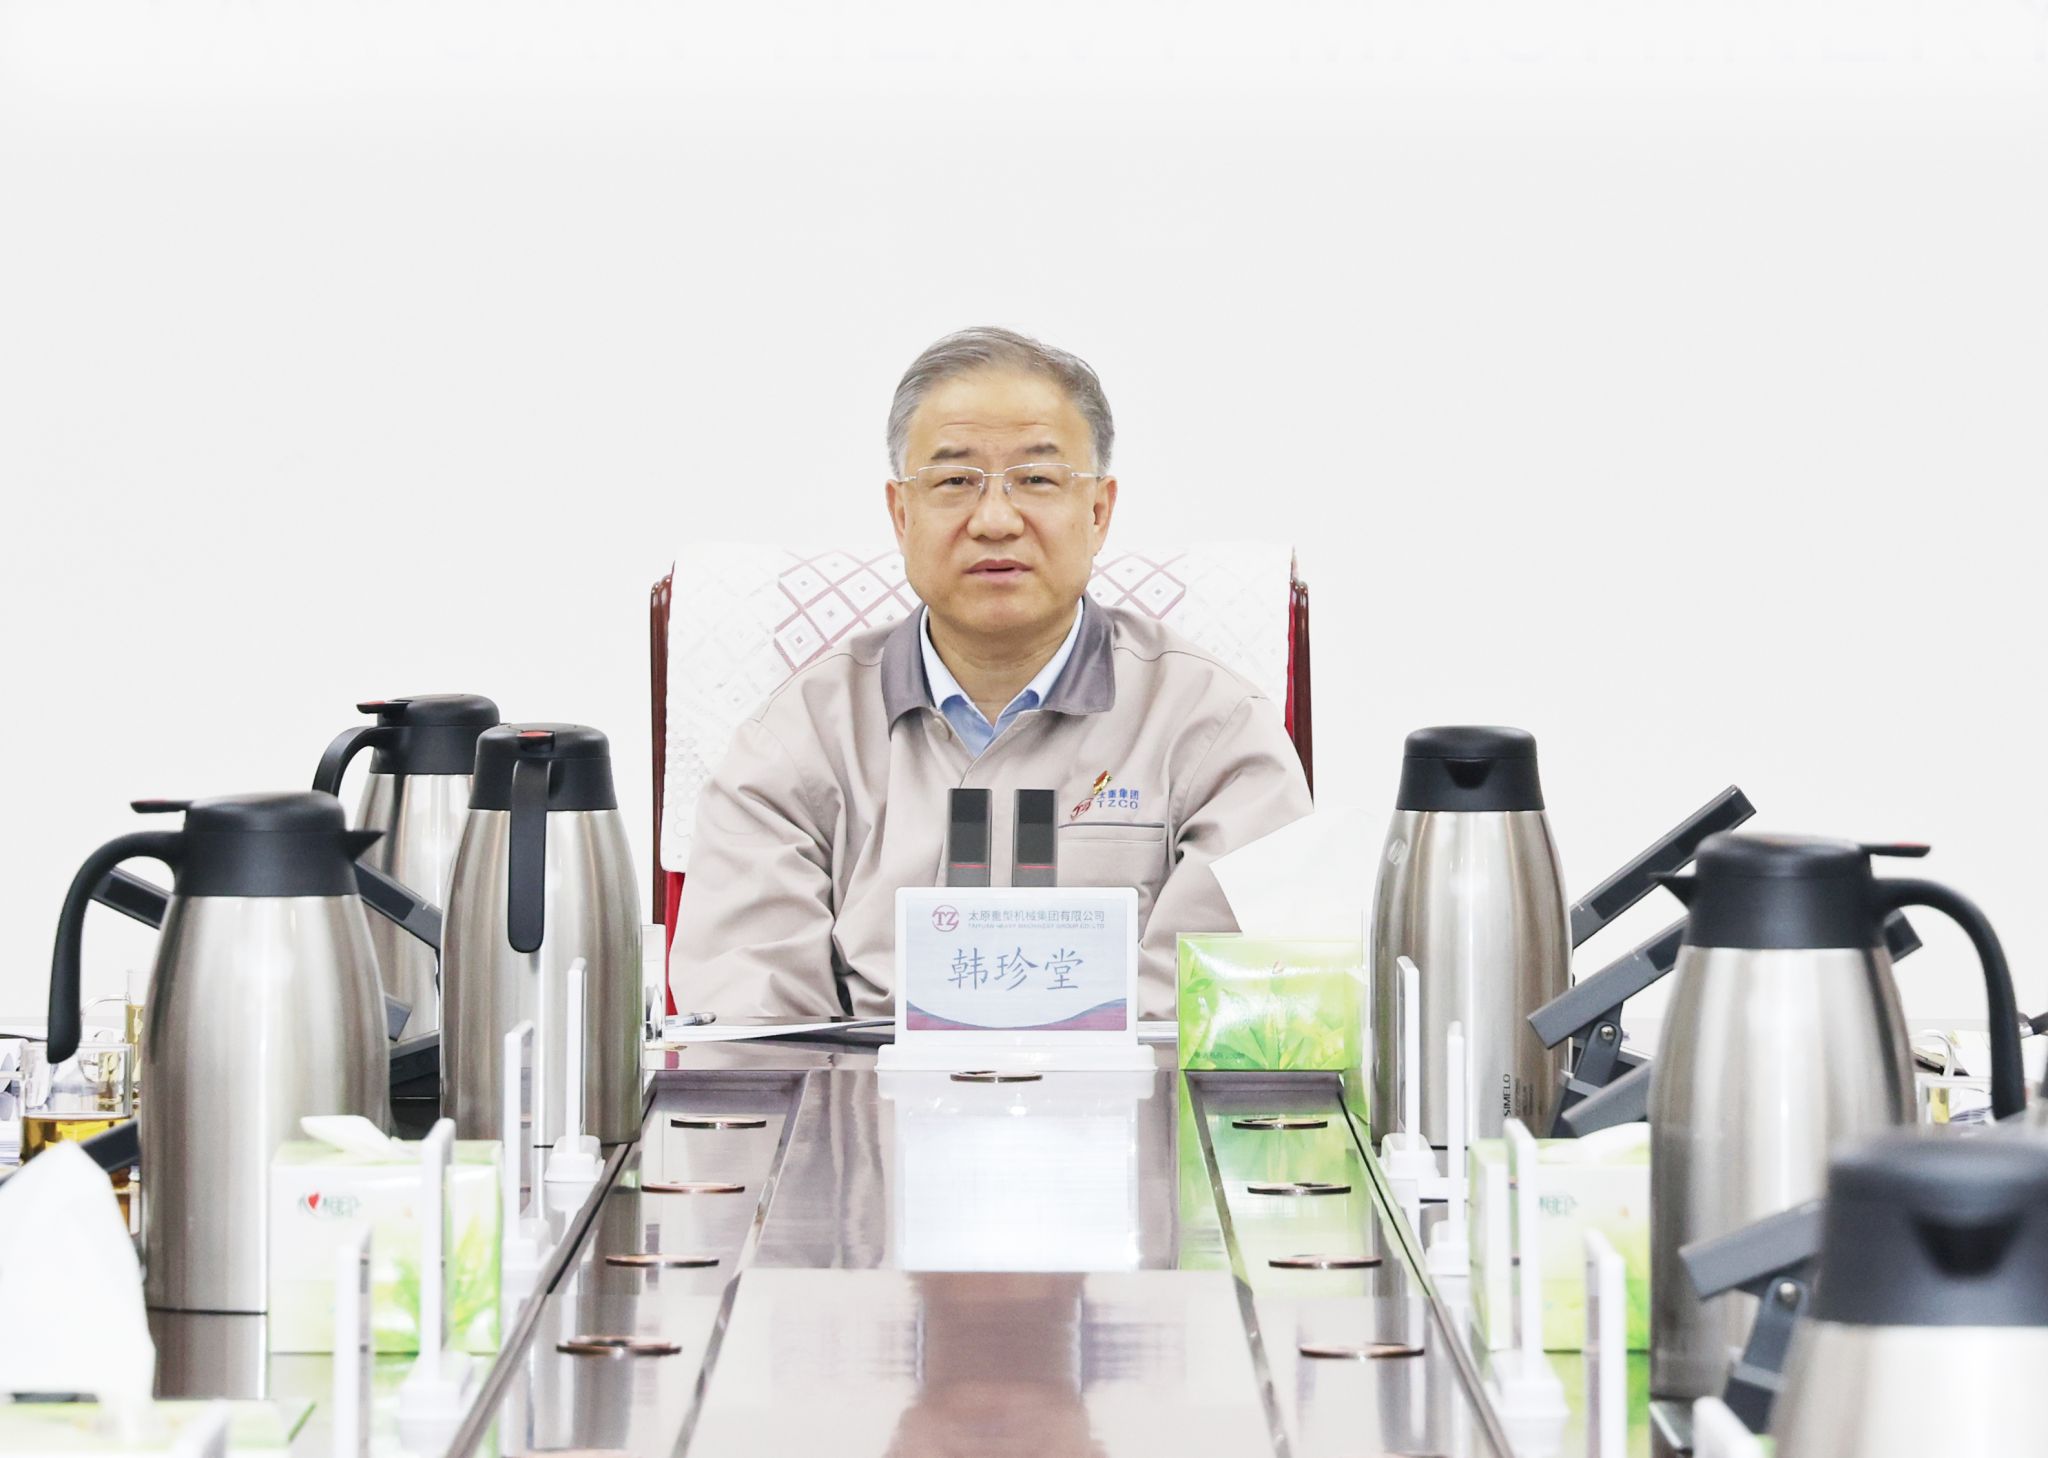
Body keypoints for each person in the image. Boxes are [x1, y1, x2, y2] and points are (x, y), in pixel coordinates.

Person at [671, 326, 1313, 1018]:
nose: (997, 520)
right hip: (861, 1090)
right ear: (901, 514)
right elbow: (754, 1026)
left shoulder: (1216, 731)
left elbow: (1236, 1008)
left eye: (1037, 479)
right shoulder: (796, 742)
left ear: (1098, 512)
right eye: (954, 482)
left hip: (1134, 1091)